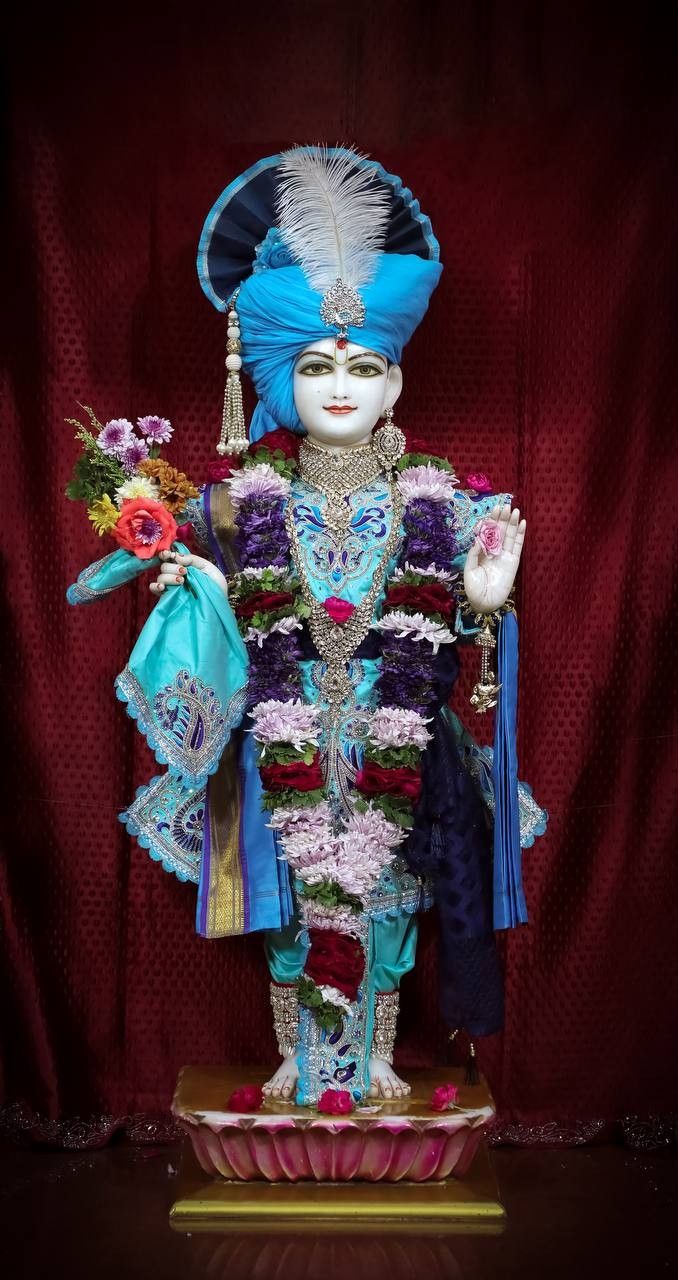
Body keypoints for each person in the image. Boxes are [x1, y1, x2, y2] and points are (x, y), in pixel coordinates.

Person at [68, 147, 546, 1106]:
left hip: (396, 736)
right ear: (283, 376)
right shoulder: (246, 500)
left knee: (389, 899)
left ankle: (367, 1061)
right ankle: (302, 1058)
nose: (340, 386)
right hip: (280, 729)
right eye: (319, 366)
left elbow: (472, 631)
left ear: (395, 386)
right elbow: (120, 552)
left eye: (364, 366)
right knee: (289, 899)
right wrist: (169, 560)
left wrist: (486, 609)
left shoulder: (443, 501)